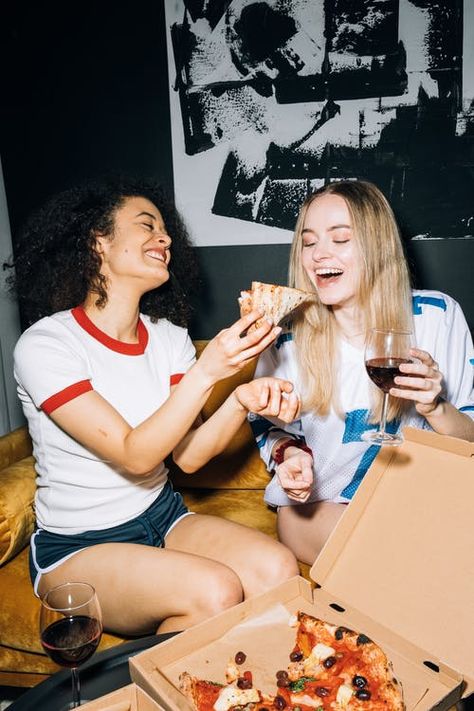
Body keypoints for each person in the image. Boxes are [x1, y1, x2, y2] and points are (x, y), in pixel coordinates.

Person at [10, 177, 301, 636]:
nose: (164, 238)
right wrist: (209, 373)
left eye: (165, 231)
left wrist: (240, 402)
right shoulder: (47, 343)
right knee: (216, 591)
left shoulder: (167, 337)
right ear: (98, 242)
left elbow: (187, 456)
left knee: (278, 569)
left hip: (163, 517)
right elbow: (134, 453)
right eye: (146, 226)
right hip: (78, 546)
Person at [249, 180, 474, 565]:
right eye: (309, 242)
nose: (320, 254)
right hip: (320, 509)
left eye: (340, 239)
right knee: (392, 556)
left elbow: (469, 440)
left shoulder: (438, 316)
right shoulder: (283, 339)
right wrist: (289, 456)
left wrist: (435, 406)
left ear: (378, 246)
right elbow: (270, 430)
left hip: (419, 502)